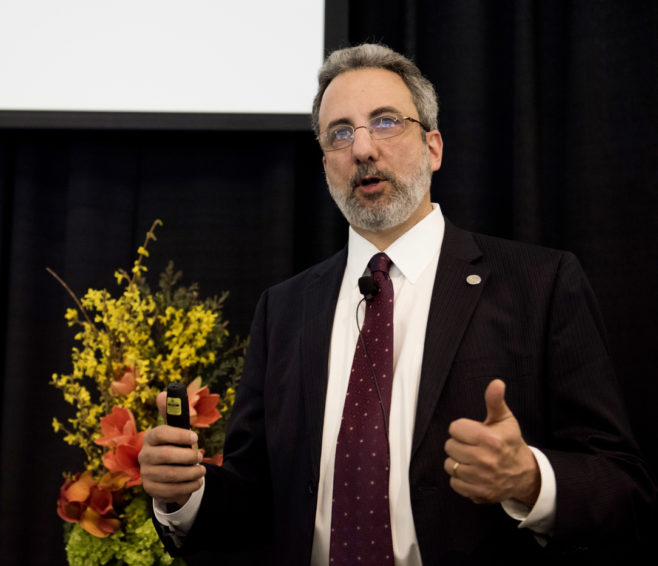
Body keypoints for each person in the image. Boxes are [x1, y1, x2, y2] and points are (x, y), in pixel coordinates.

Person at [138, 43, 655, 565]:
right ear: (325, 165)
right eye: (340, 132)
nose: (362, 149)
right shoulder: (285, 310)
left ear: (433, 147)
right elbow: (256, 504)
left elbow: (623, 489)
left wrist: (529, 479)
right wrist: (183, 494)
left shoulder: (540, 284)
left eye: (385, 122)